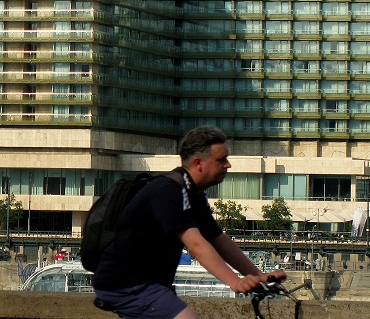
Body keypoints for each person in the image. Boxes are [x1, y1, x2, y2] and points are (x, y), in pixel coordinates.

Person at [92, 126, 286, 319]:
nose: (228, 165)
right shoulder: (167, 191)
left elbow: (218, 240)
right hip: (127, 284)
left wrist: (258, 276)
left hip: (148, 283)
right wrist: (234, 282)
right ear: (198, 162)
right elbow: (196, 245)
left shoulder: (193, 193)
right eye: (221, 159)